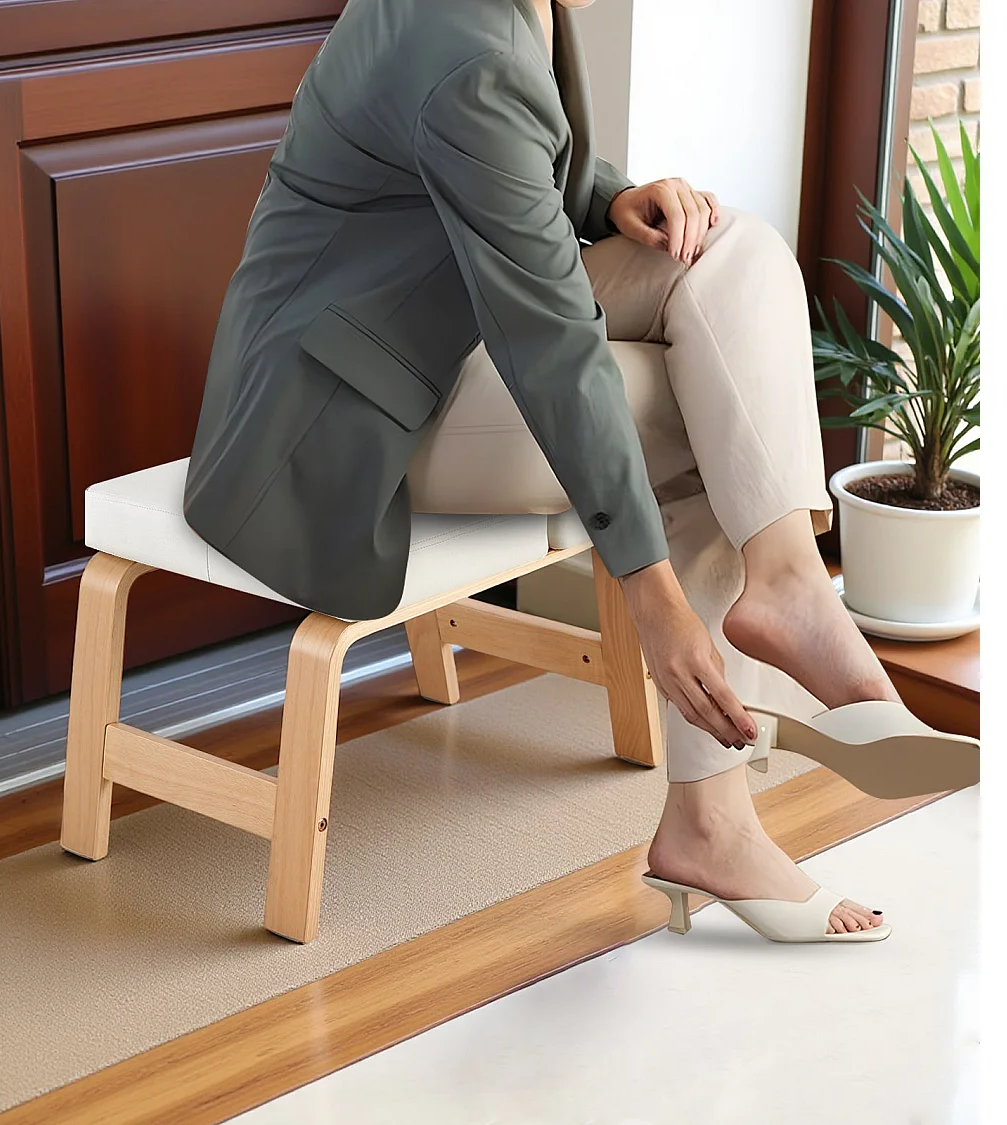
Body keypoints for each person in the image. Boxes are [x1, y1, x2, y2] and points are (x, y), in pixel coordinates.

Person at [186, 0, 960, 941]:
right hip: (343, 409)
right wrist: (653, 597)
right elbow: (550, 347)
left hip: (435, 326)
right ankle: (713, 815)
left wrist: (609, 197)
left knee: (736, 252)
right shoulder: (465, 45)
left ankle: (791, 583)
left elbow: (491, 159)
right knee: (700, 402)